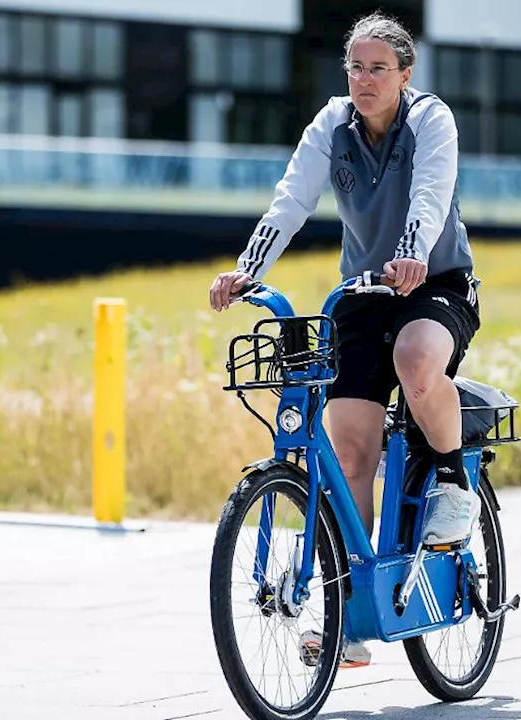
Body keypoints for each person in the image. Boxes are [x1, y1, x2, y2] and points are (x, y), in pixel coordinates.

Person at [208, 11, 482, 668]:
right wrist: (249, 270)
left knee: (418, 360)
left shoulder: (430, 120)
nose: (364, 79)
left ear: (405, 74)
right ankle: (349, 623)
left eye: (378, 68)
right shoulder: (331, 125)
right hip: (363, 294)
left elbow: (431, 194)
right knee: (351, 455)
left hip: (435, 282)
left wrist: (413, 254)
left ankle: (452, 483)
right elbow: (291, 201)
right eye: (355, 67)